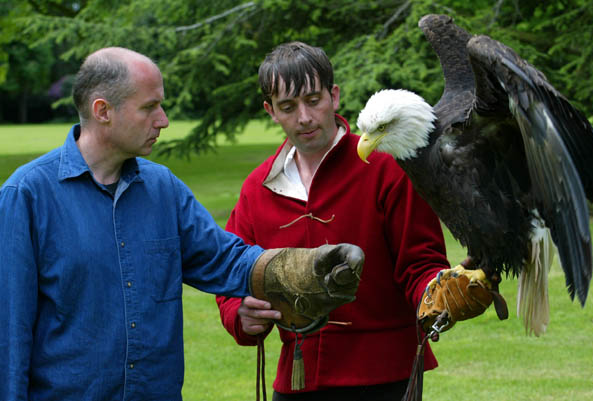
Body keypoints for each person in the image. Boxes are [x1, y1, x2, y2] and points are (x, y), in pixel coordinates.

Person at [0, 46, 364, 401]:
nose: (164, 120)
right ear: (102, 111)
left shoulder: (163, 188)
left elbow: (225, 259)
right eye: (149, 107)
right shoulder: (27, 195)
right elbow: (9, 334)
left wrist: (303, 269)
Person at [216, 41, 494, 401]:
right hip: (298, 379)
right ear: (271, 111)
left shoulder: (388, 167)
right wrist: (239, 313)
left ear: (334, 95)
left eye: (313, 100)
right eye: (288, 106)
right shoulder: (258, 187)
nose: (304, 117)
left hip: (384, 377)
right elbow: (231, 268)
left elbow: (419, 263)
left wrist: (438, 293)